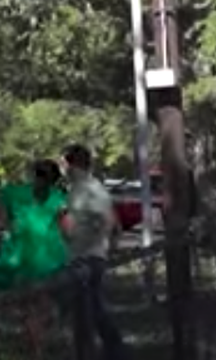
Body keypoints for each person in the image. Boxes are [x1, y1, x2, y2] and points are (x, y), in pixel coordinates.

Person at [60, 144, 126, 360]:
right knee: (90, 312)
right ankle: (105, 352)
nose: (62, 168)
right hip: (83, 257)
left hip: (86, 260)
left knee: (90, 314)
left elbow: (106, 220)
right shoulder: (81, 188)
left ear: (72, 164)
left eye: (63, 163)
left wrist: (88, 244)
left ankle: (114, 352)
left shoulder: (88, 189)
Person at [0, 159, 70, 291]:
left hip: (47, 259)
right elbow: (3, 223)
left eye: (48, 178)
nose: (44, 181)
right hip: (22, 257)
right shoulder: (14, 194)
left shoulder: (58, 198)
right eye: (42, 175)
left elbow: (65, 228)